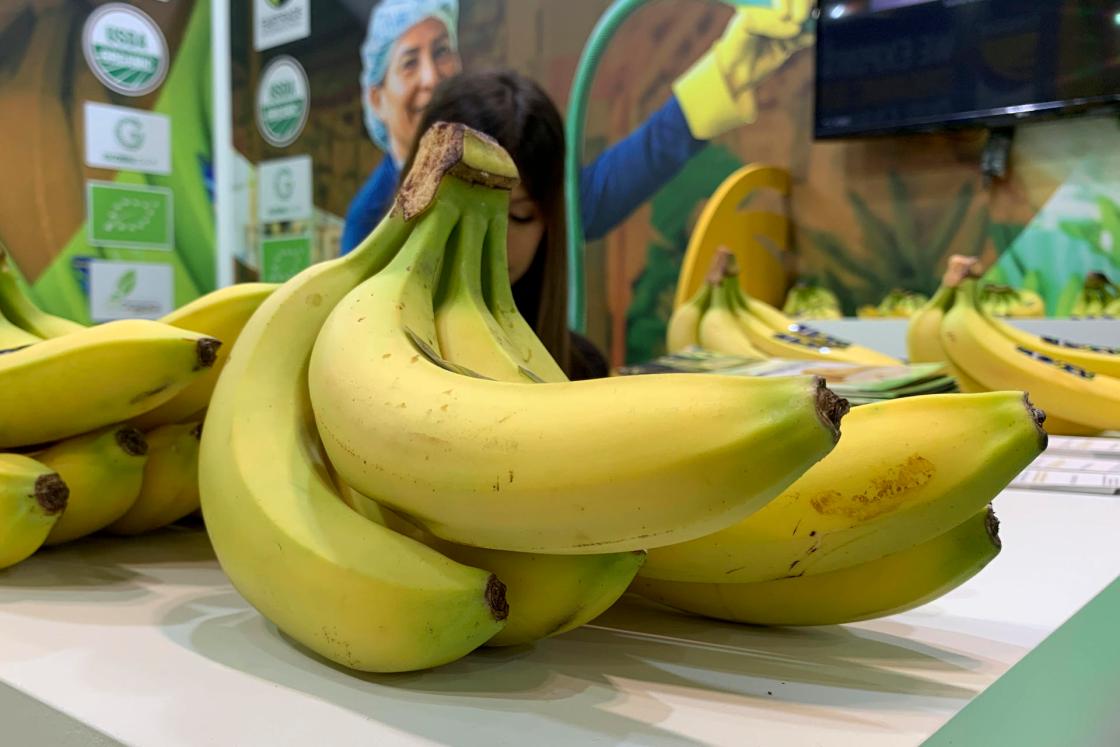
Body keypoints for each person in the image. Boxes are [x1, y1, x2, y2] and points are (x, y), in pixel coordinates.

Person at [346, 0, 813, 376]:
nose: (431, 76)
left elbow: (610, 185)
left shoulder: (573, 368)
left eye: (521, 215)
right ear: (376, 97)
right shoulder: (369, 231)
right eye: (409, 62)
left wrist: (727, 73)